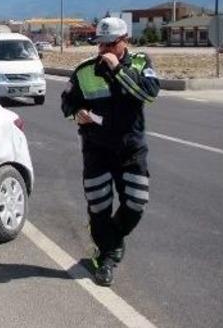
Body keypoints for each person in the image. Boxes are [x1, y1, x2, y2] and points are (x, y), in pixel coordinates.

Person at [60, 17, 159, 287]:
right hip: (97, 150)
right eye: (99, 44)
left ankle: (110, 239)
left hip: (130, 150)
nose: (103, 50)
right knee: (99, 206)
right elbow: (67, 103)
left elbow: (149, 94)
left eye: (109, 44)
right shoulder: (85, 70)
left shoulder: (140, 63)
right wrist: (77, 113)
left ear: (125, 40)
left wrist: (118, 71)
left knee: (137, 203)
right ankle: (106, 260)